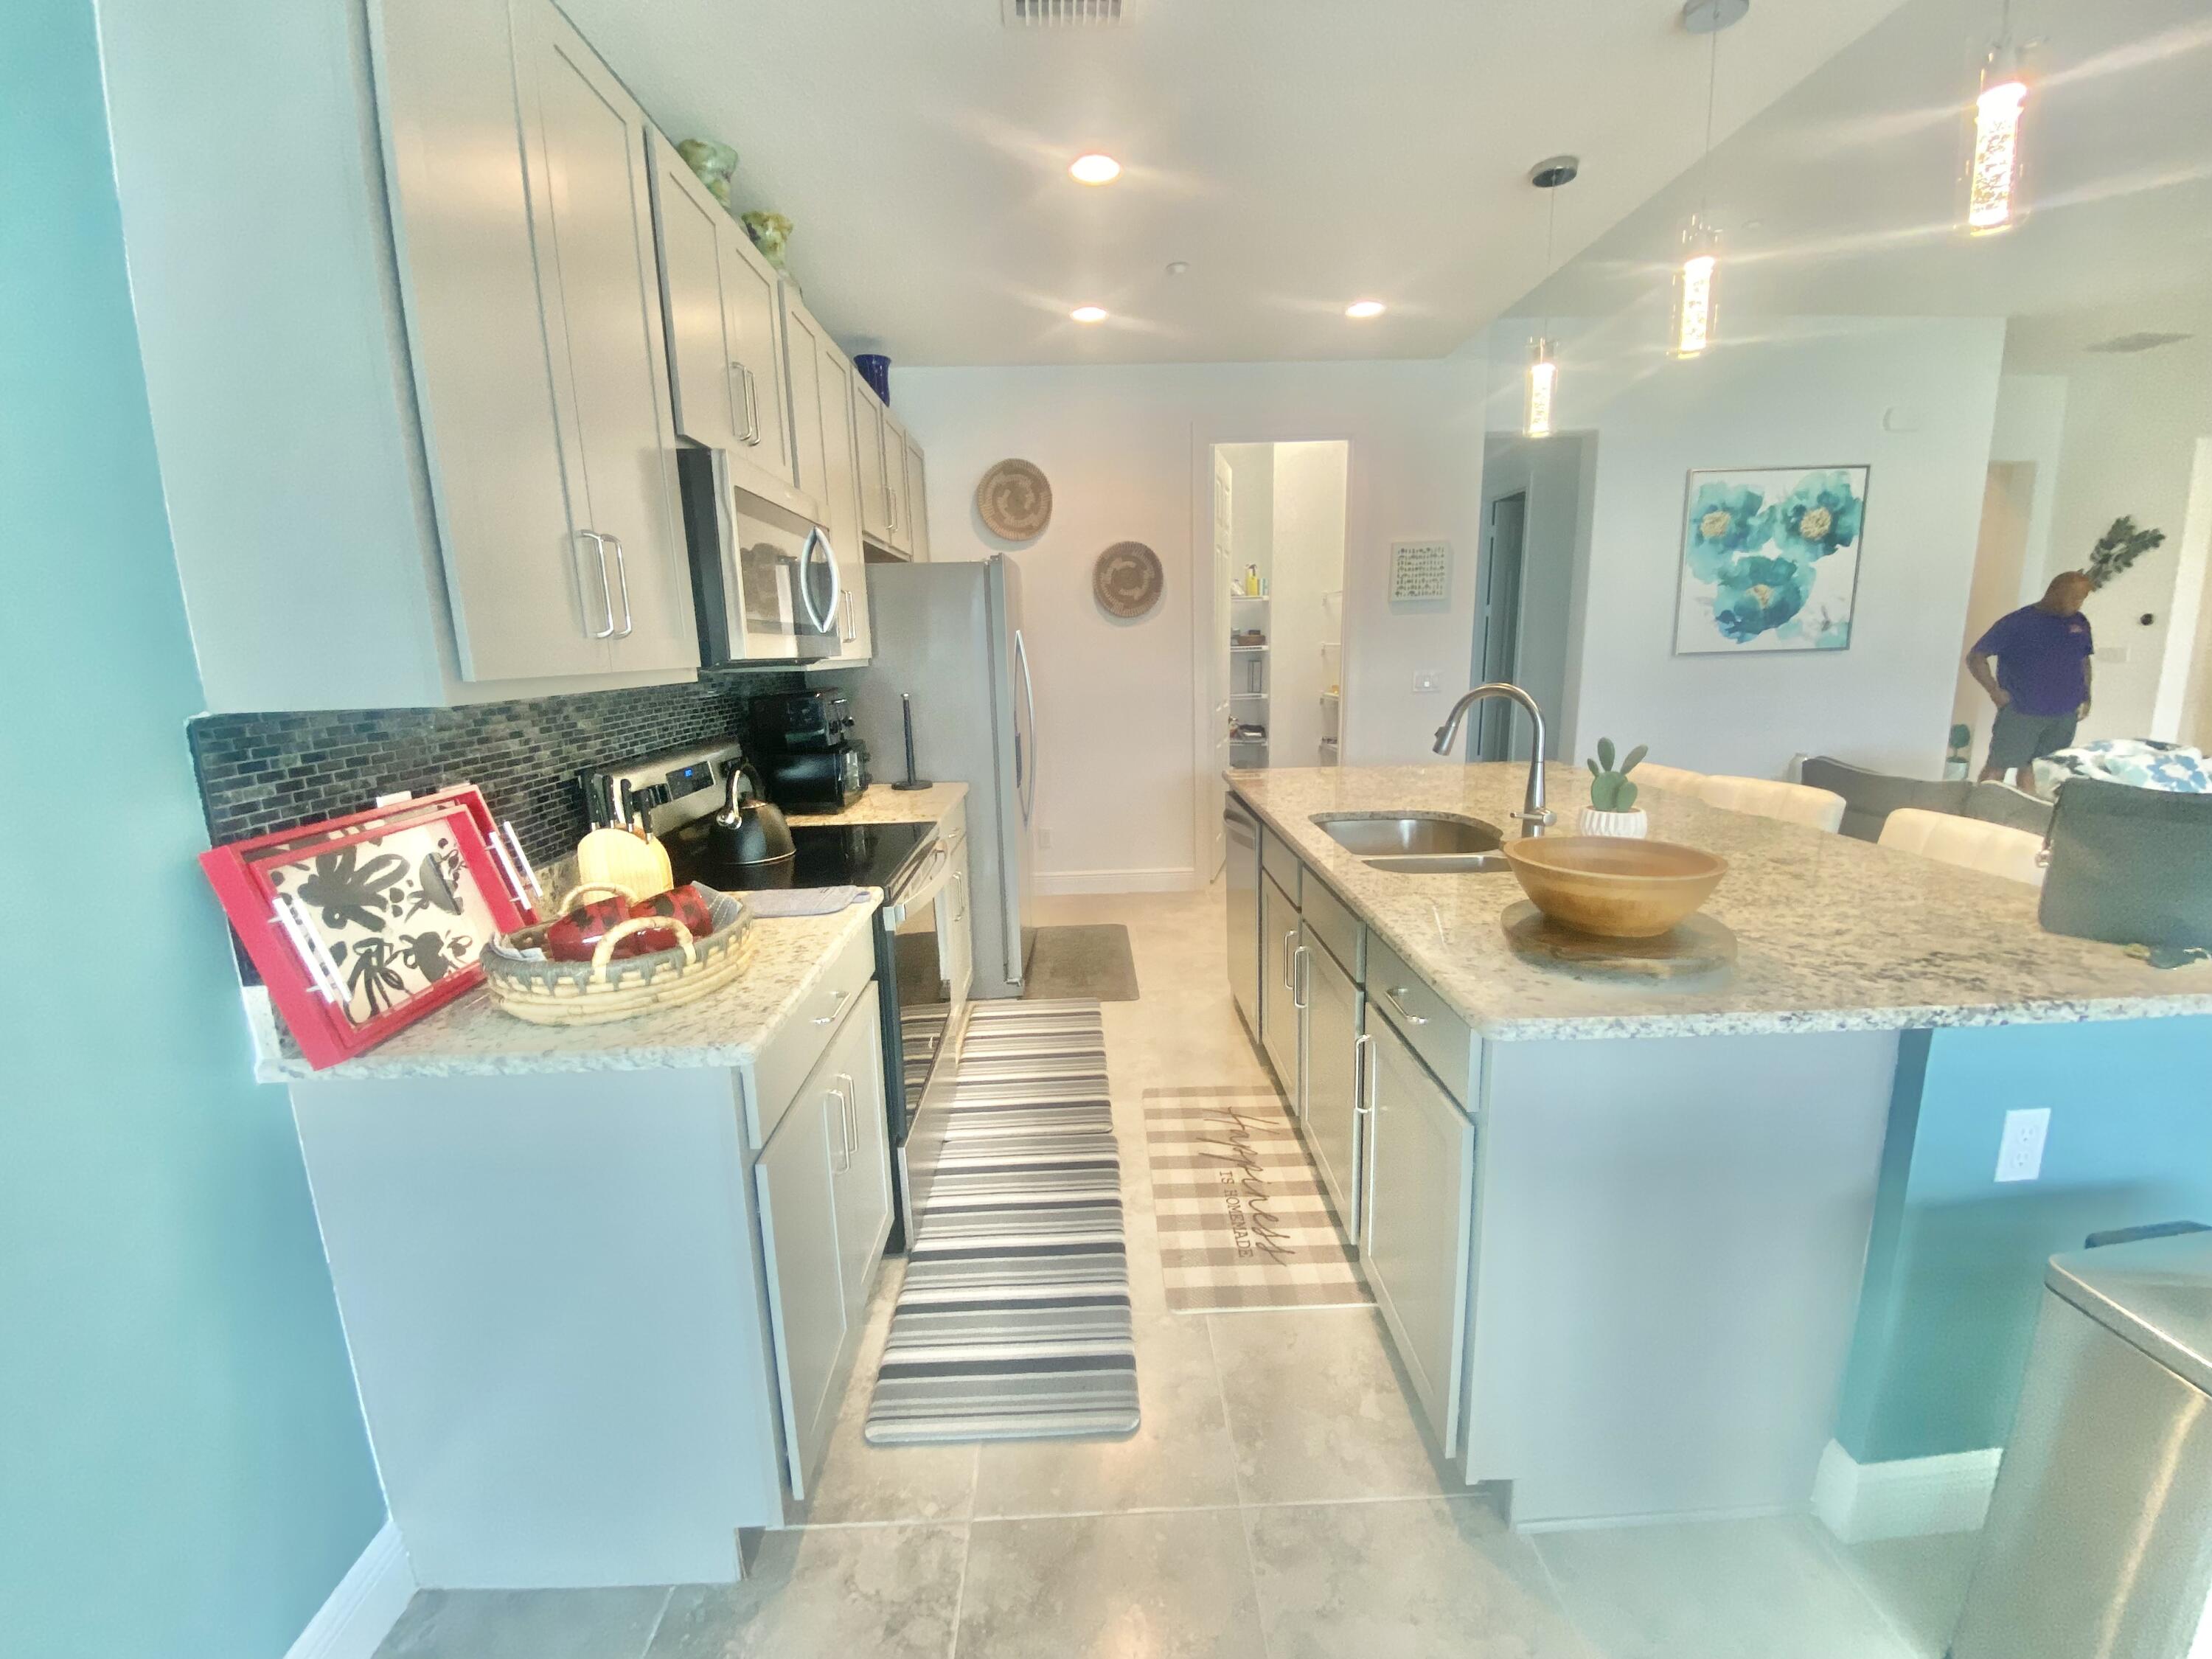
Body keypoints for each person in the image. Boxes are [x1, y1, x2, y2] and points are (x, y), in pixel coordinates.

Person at [1966, 571, 2095, 788]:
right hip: (2022, 711)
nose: (2078, 603)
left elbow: (2084, 660)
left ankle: (2024, 817)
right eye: (2073, 597)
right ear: (2054, 592)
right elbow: (1976, 657)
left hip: (2064, 714)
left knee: (2038, 769)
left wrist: (2086, 696)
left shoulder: (2080, 622)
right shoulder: (2018, 622)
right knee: (1998, 767)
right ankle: (1976, 816)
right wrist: (1994, 691)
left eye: (2082, 598)